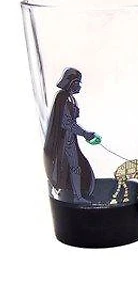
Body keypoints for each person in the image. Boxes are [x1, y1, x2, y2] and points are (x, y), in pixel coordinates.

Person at [43, 68, 101, 204]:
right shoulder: (62, 97)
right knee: (67, 167)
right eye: (78, 83)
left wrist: (84, 134)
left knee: (75, 167)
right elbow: (66, 123)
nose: (79, 86)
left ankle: (77, 197)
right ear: (71, 83)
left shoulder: (70, 98)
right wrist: (85, 134)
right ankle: (75, 197)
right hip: (63, 141)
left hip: (70, 139)